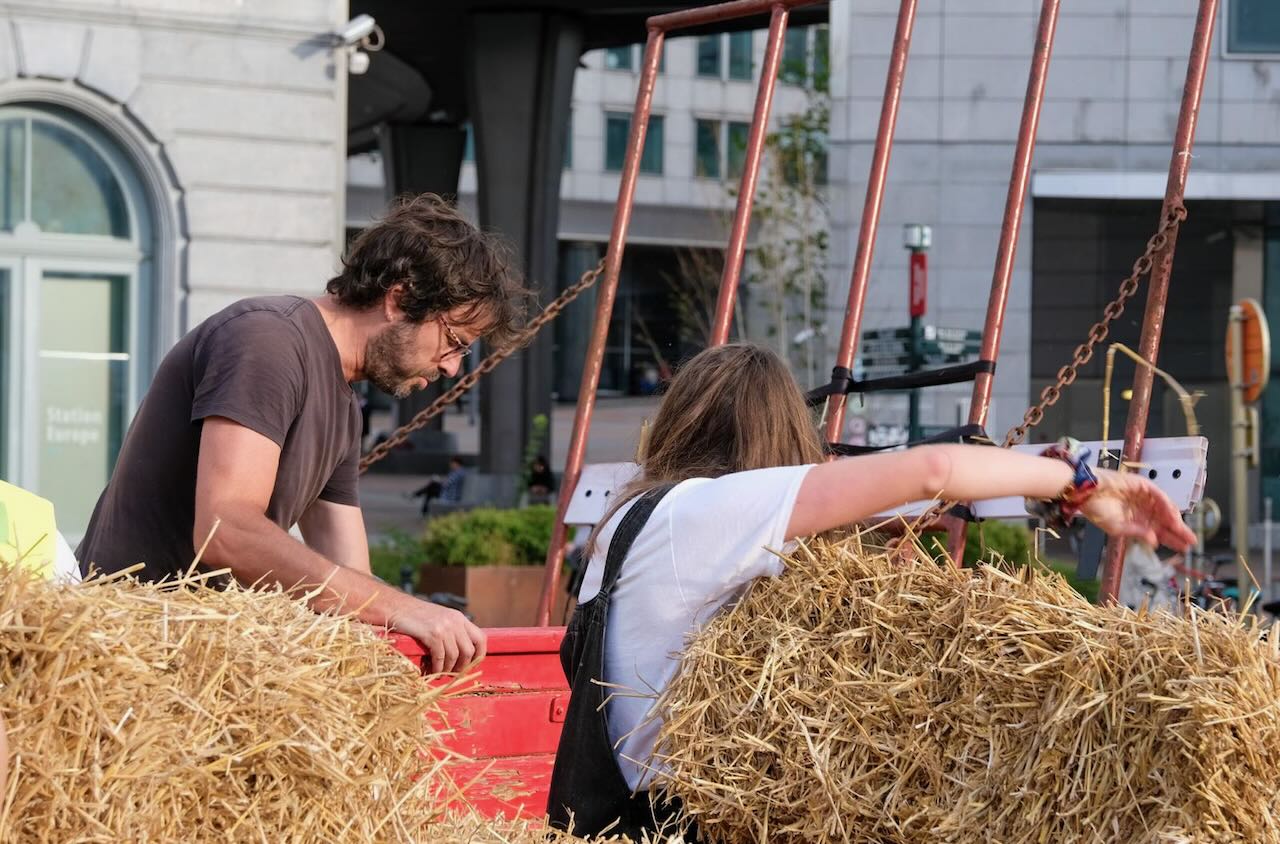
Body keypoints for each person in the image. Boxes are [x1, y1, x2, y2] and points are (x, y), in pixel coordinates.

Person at [546, 343, 1197, 839]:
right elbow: (933, 469)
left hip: (611, 817)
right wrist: (1080, 484)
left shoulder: (638, 521)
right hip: (673, 825)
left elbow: (852, 500)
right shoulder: (708, 514)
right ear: (778, 439)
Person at [76, 194, 529, 674]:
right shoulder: (268, 341)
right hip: (127, 650)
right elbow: (224, 530)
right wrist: (402, 608)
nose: (452, 367)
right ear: (398, 299)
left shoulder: (343, 406)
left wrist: (407, 615)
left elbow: (354, 579)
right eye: (454, 341)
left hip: (198, 659)